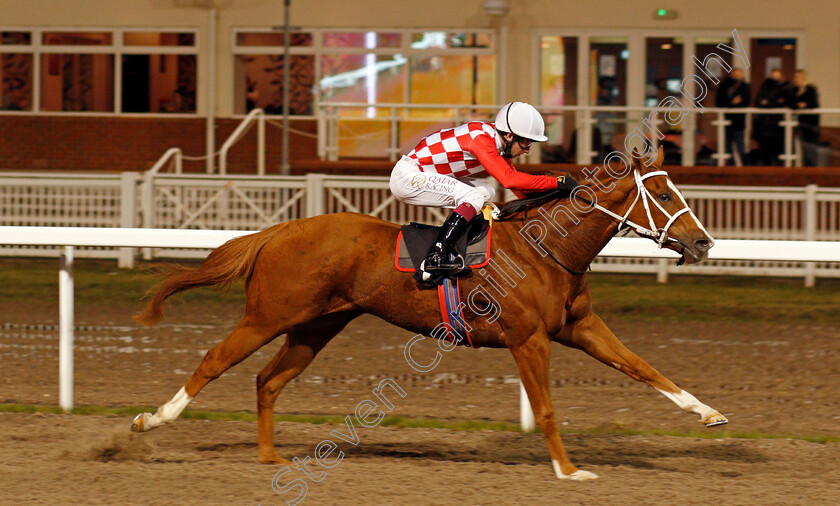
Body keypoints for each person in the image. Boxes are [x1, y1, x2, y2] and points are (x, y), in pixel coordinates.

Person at [389, 102, 576, 277]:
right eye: (526, 143)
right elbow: (509, 180)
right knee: (473, 195)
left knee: (487, 191)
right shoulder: (482, 140)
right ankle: (435, 256)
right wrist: (555, 182)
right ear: (510, 136)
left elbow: (519, 190)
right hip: (407, 177)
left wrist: (551, 199)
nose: (527, 150)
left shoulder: (497, 141)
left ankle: (460, 242)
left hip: (420, 174)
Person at [753, 69, 788, 166]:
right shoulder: (765, 87)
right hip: (764, 125)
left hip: (778, 125)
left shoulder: (785, 88)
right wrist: (772, 102)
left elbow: (783, 102)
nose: (775, 80)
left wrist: (768, 103)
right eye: (773, 77)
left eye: (777, 78)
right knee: (765, 149)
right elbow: (759, 102)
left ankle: (778, 165)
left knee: (778, 148)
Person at [715, 68, 750, 165]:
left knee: (741, 146)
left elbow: (746, 102)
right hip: (727, 120)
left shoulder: (745, 87)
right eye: (734, 75)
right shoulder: (724, 86)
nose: (736, 78)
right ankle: (731, 166)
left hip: (739, 122)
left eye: (738, 75)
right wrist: (732, 102)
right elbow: (719, 102)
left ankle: (746, 167)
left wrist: (737, 102)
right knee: (727, 147)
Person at [789, 69, 820, 166]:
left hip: (811, 124)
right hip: (801, 122)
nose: (795, 80)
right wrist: (799, 104)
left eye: (798, 77)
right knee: (803, 147)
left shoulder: (810, 89)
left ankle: (812, 167)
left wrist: (804, 104)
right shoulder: (794, 90)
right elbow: (791, 103)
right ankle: (806, 166)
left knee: (811, 147)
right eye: (794, 77)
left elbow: (813, 103)